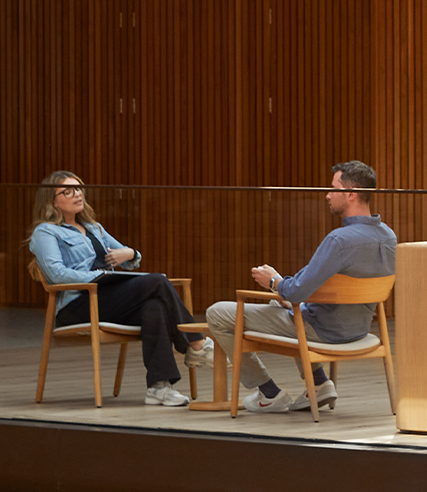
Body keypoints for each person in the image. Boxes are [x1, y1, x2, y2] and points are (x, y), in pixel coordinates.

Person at [209, 162, 397, 413]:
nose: (328, 195)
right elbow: (301, 289)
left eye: (333, 189)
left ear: (351, 193)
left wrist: (273, 281)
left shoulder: (339, 240)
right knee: (280, 301)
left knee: (218, 313)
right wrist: (284, 289)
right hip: (360, 330)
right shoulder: (389, 236)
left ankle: (269, 393)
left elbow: (296, 291)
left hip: (322, 331)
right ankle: (319, 385)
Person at [28, 171, 206, 406]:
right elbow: (57, 275)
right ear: (52, 200)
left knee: (154, 307)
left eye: (79, 188)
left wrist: (131, 253)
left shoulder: (94, 228)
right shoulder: (46, 232)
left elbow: (131, 258)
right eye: (68, 191)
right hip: (78, 304)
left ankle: (159, 387)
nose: (77, 194)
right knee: (157, 281)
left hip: (107, 298)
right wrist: (98, 276)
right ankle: (196, 344)